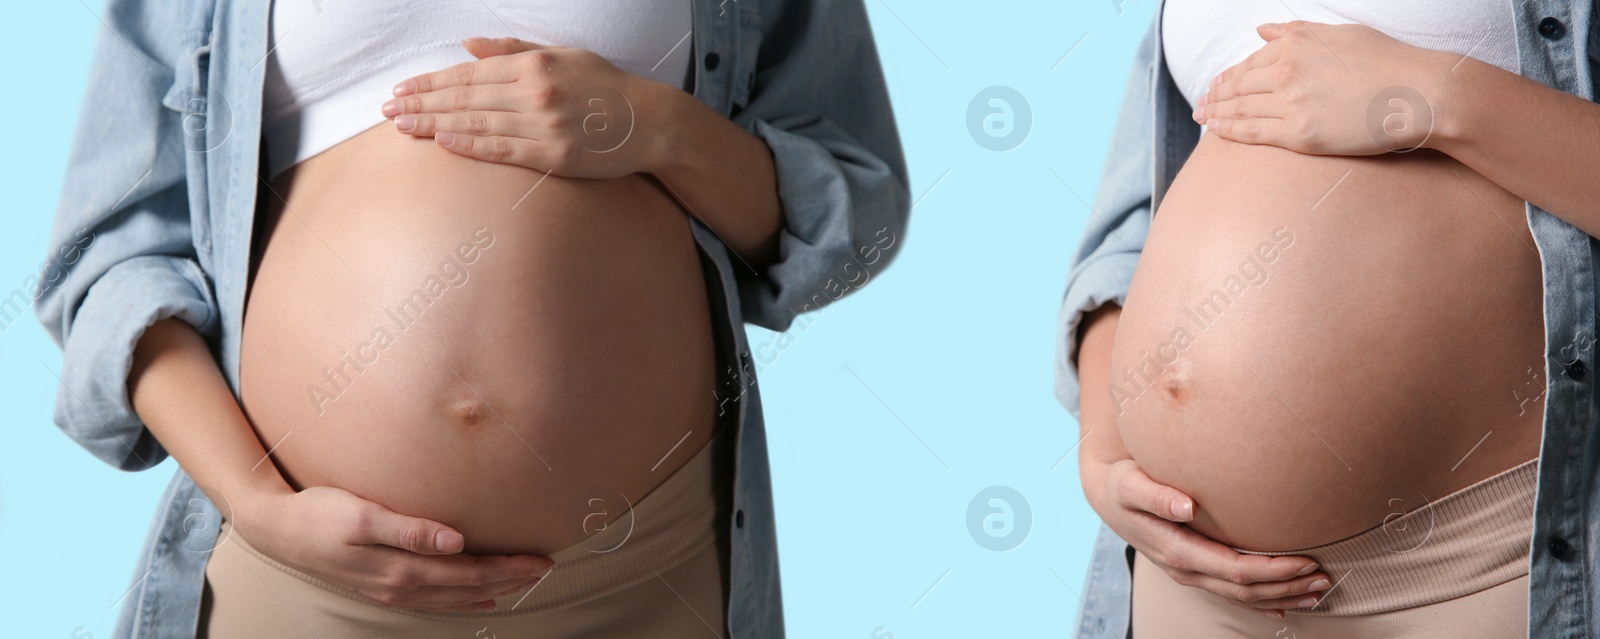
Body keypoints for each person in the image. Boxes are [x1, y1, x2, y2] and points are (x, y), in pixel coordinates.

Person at [37, 1, 907, 637]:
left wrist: (658, 128)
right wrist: (256, 502)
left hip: (642, 577)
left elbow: (854, 219)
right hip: (309, 577)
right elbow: (113, 262)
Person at [1058, 1, 1597, 637]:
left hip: (1479, 562)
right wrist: (1105, 450)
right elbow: (1128, 232)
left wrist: (1442, 95)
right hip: (1187, 577)